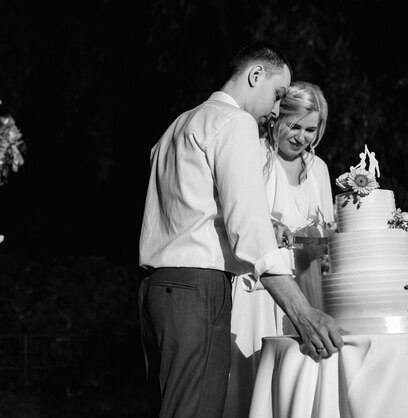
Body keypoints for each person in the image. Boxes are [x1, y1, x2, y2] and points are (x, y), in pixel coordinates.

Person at [138, 43, 344, 418]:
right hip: (197, 291)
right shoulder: (234, 123)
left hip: (156, 290)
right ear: (254, 76)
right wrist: (302, 312)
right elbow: (249, 230)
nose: (277, 108)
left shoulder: (177, 126)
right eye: (278, 94)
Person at [223, 81, 338, 418]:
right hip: (258, 288)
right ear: (276, 119)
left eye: (310, 129)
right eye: (294, 126)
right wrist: (267, 224)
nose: (301, 136)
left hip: (305, 286)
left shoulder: (319, 169)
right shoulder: (256, 155)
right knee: (249, 377)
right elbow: (238, 216)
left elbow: (327, 233)